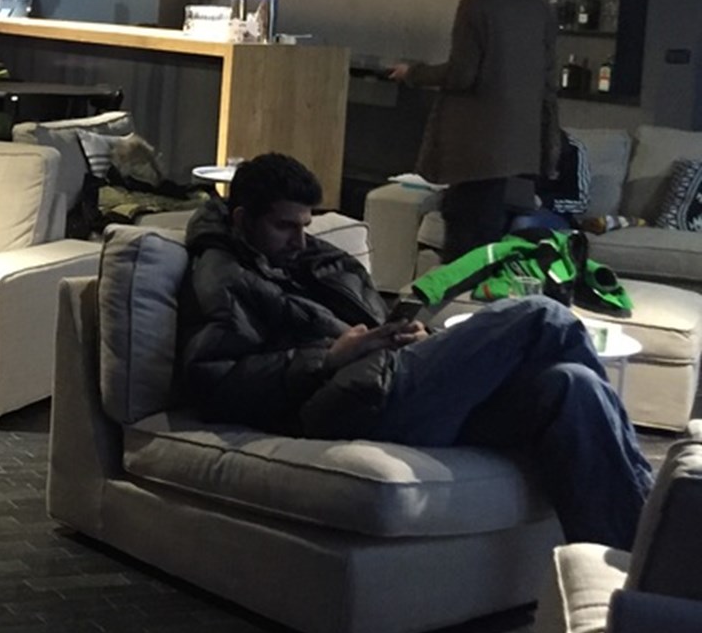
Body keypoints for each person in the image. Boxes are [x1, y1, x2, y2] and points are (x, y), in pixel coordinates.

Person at [178, 151, 652, 547]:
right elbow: (214, 382)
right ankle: (666, 522)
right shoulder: (223, 275)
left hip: (393, 376)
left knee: (573, 385)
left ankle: (635, 572)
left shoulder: (314, 257)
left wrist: (414, 337)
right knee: (542, 317)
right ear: (242, 220)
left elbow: (373, 319)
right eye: (285, 226)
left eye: (306, 224)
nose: (300, 239)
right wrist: (330, 357)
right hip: (354, 402)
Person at [387, 0, 557, 263]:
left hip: (477, 146)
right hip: (519, 148)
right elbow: (548, 81)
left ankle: (457, 296)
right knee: (491, 243)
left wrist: (413, 73)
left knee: (464, 241)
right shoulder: (537, 8)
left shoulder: (476, 6)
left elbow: (462, 74)